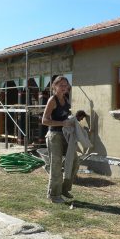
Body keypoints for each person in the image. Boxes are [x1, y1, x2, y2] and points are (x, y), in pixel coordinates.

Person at [42, 76, 79, 204]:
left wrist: (72, 120)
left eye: (66, 85)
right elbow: (44, 120)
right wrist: (62, 123)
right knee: (56, 165)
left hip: (65, 135)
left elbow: (65, 117)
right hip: (54, 136)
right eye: (61, 85)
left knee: (74, 161)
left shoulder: (66, 99)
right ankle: (54, 195)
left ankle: (64, 189)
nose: (64, 87)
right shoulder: (53, 100)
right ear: (55, 86)